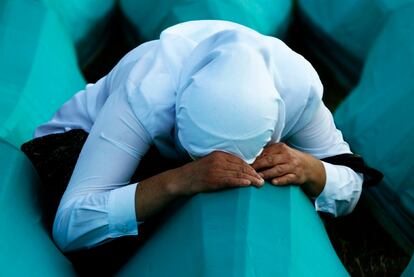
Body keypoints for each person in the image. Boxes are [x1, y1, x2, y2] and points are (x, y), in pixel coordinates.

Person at [34, 20, 367, 252]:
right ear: (178, 114)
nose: (219, 166)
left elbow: (352, 183)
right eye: (201, 156)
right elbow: (70, 226)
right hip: (75, 143)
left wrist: (310, 168)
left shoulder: (297, 87)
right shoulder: (145, 92)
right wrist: (179, 180)